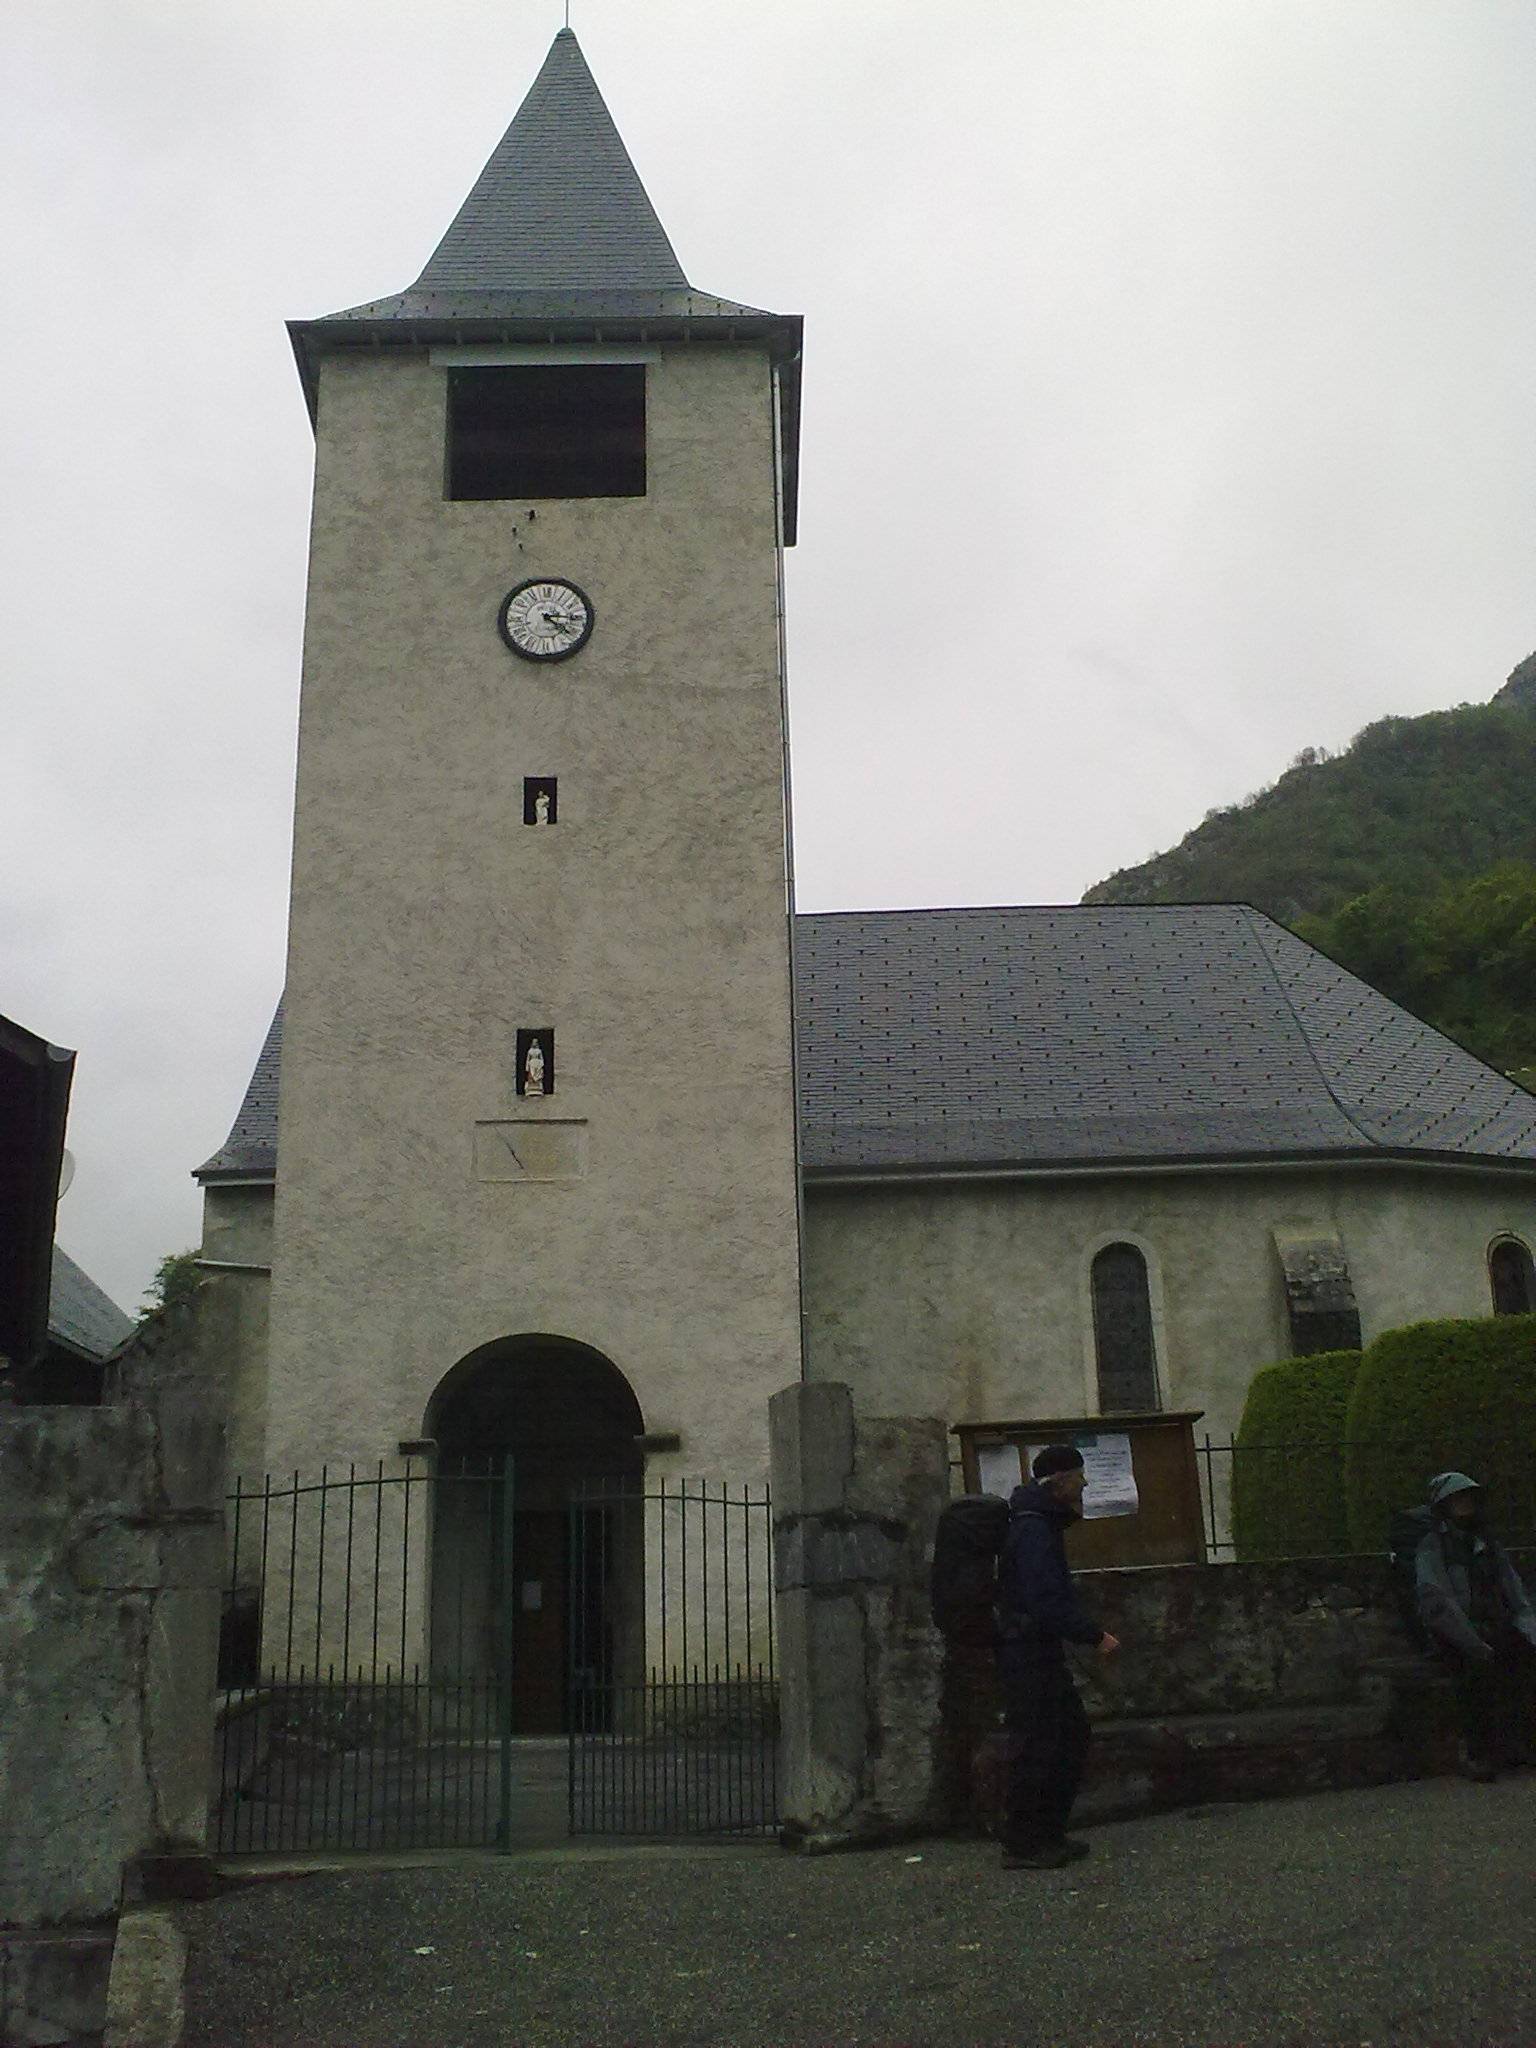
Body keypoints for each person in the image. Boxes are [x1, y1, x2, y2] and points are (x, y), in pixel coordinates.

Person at [994, 1443, 1121, 1869]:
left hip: (1032, 1649)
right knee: (1045, 1742)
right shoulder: (1033, 1528)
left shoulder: (1036, 1523)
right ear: (1060, 1481)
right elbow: (1043, 1598)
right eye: (1078, 1475)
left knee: (1061, 1737)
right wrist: (1093, 1635)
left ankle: (1043, 1834)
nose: (1085, 1483)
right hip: (1029, 1652)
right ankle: (1028, 1840)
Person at [1415, 1470, 1536, 1780]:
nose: (1465, 1505)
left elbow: (1516, 1593)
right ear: (1444, 1507)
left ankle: (1518, 1745)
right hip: (1456, 1636)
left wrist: (1529, 1632)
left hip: (1495, 1627)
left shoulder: (1489, 1545)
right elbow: (1439, 1602)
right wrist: (1474, 1643)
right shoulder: (1433, 1547)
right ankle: (1477, 1752)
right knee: (1474, 1676)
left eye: (1469, 1499)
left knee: (1524, 1664)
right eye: (1458, 1500)